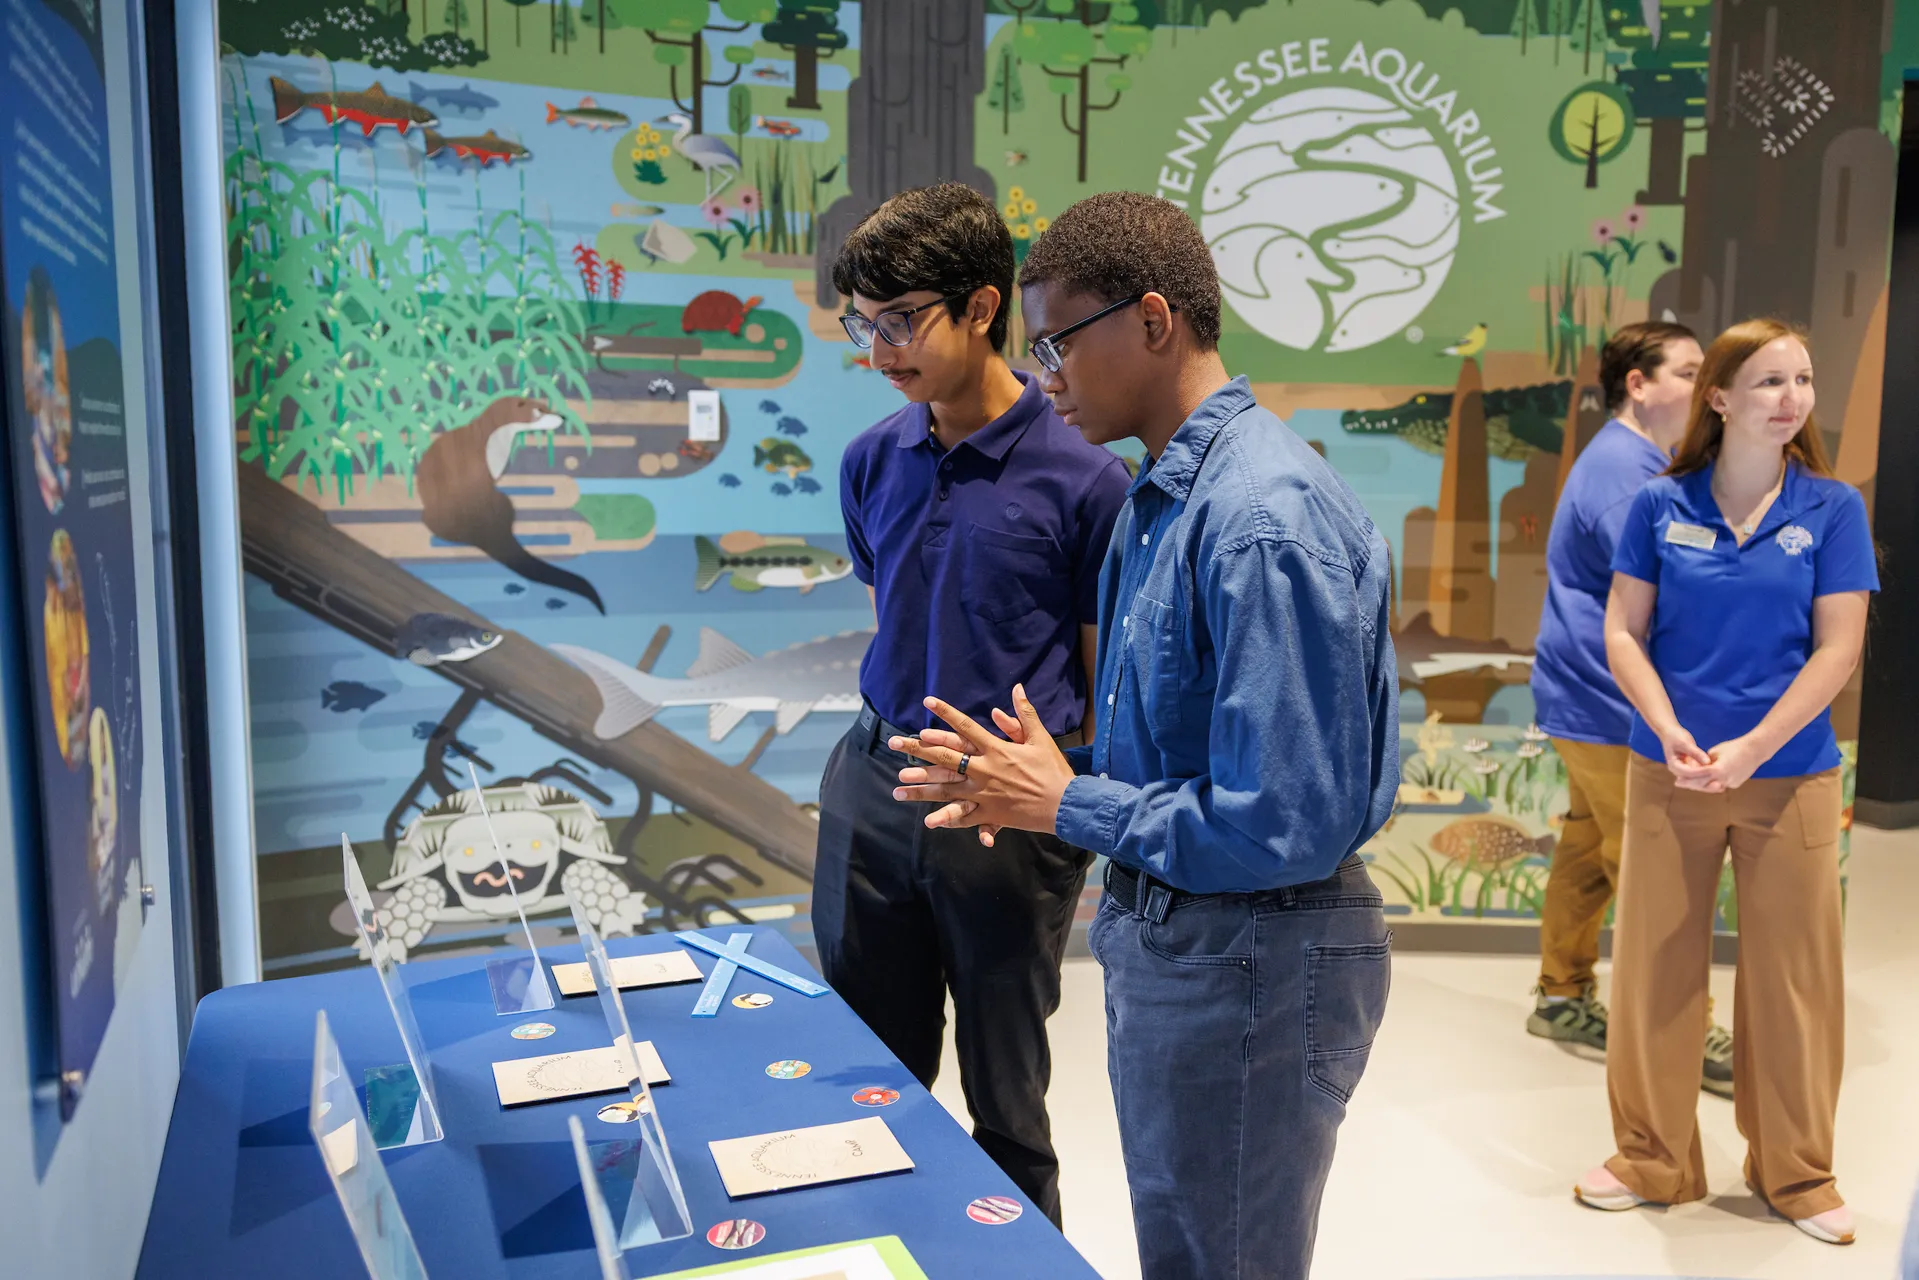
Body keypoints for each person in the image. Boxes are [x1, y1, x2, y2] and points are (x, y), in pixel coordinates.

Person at [887, 192, 1399, 1280]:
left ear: (1153, 319)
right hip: (1186, 946)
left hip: (1253, 954)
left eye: (1059, 341)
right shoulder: (1159, 501)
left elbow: (1280, 822)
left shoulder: (1259, 517)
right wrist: (1033, 772)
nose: (1044, 374)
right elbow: (1184, 758)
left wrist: (1061, 799)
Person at [813, 182, 1130, 1227]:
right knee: (862, 1077)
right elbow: (896, 616)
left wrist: (1050, 805)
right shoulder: (869, 458)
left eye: (903, 318)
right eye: (866, 322)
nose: (879, 348)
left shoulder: (1085, 479)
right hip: (870, 782)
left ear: (983, 305)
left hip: (1000, 809)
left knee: (1005, 1097)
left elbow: (1097, 686)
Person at [1575, 319, 1878, 1246]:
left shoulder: (1831, 511)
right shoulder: (1658, 508)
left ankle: (1795, 1172)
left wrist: (1749, 748)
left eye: (1803, 380)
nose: (1791, 398)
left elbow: (1838, 649)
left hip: (1789, 778)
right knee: (1653, 973)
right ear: (1717, 397)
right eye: (1767, 381)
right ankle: (1652, 1159)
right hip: (1667, 772)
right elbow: (1623, 630)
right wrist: (1667, 730)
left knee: (1792, 982)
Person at [1528, 321, 1735, 1097]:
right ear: (1637, 384)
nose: (1706, 388)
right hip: (1607, 703)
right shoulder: (1626, 476)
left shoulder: (1641, 464)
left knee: (1588, 850)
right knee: (1658, 869)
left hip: (1589, 701)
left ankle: (1559, 993)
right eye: (1688, 371)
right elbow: (1673, 590)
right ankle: (1685, 1030)